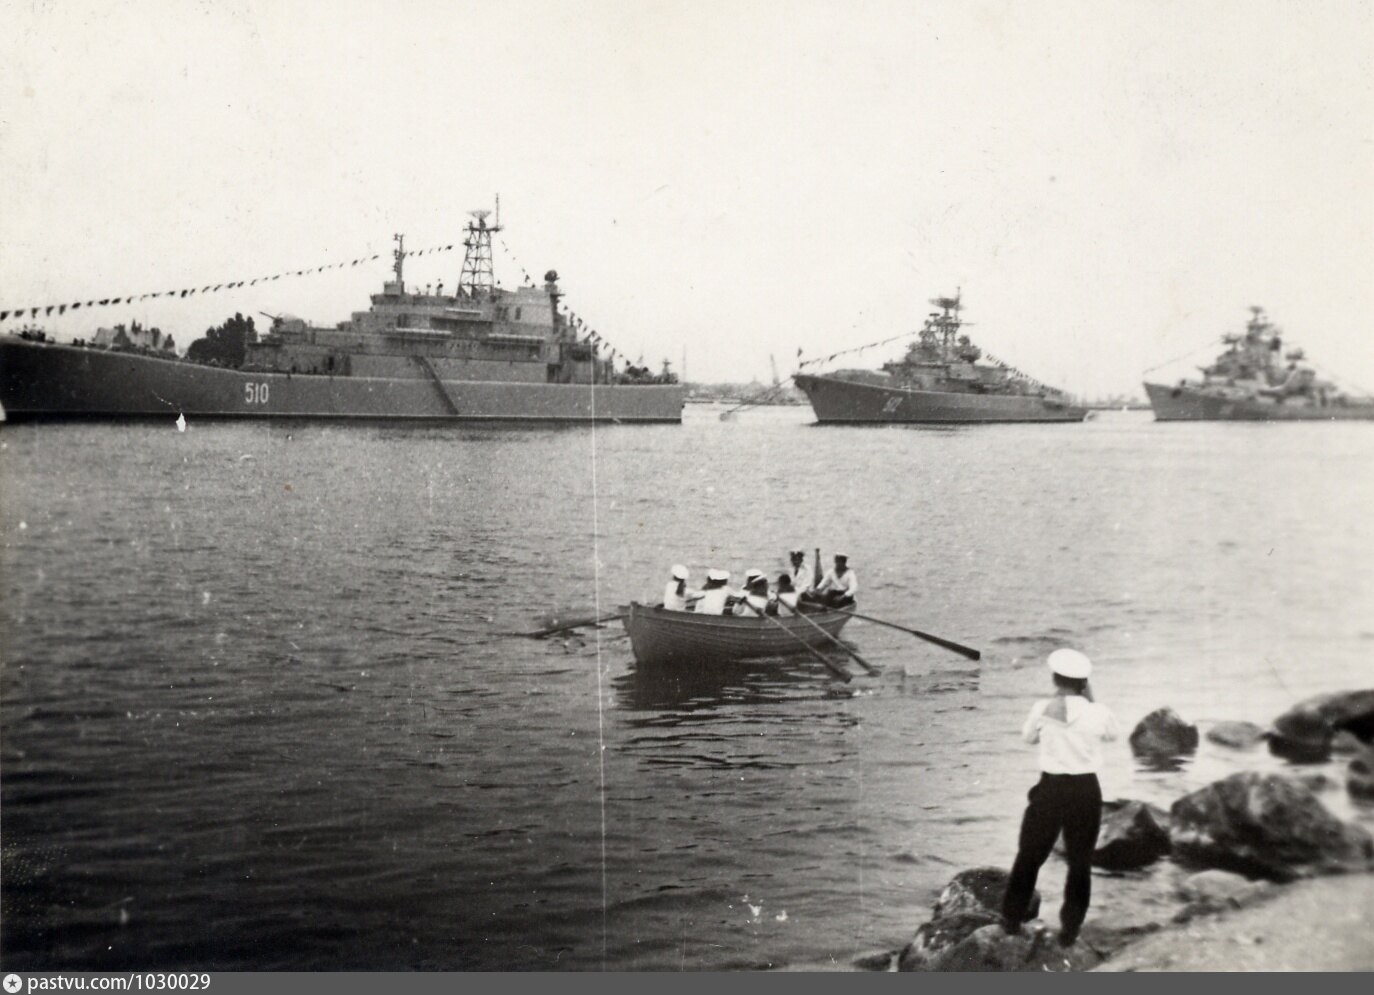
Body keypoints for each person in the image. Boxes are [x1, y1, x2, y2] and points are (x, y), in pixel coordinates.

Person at [1001, 648, 1121, 948]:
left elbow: (1028, 738)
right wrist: (1092, 701)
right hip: (1086, 790)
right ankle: (1070, 930)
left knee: (1029, 855)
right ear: (1084, 682)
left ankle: (1012, 920)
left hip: (1051, 789)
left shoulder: (1043, 708)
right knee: (1080, 862)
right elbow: (1112, 736)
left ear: (1055, 678)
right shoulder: (1099, 711)